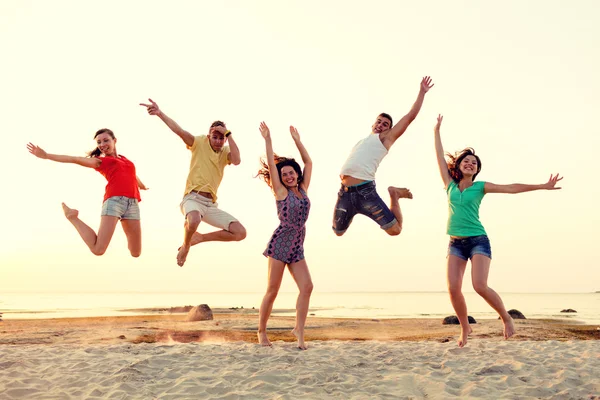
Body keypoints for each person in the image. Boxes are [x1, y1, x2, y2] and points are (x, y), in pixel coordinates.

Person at [434, 114, 563, 347]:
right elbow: (438, 158)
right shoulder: (449, 185)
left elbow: (511, 188)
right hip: (455, 243)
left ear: (476, 169)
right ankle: (465, 328)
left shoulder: (481, 187)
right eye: (466, 160)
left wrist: (542, 186)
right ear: (459, 165)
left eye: (474, 162)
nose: (470, 163)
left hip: (478, 241)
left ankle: (506, 318)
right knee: (453, 289)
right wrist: (437, 131)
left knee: (479, 286)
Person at [140, 99, 246, 267]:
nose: (218, 141)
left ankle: (200, 238)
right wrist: (160, 114)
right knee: (194, 220)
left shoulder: (226, 152)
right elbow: (179, 131)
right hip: (192, 199)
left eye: (221, 138)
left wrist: (229, 134)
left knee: (240, 233)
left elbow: (238, 160)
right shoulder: (199, 143)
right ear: (209, 135)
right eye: (215, 137)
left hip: (210, 205)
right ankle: (186, 245)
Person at [333, 76, 434, 236]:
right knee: (338, 232)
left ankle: (394, 194)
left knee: (395, 230)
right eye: (378, 122)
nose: (380, 125)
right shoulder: (362, 141)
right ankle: (353, 210)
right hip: (345, 193)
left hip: (365, 192)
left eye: (385, 124)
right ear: (373, 124)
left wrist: (422, 92)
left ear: (389, 130)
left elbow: (409, 117)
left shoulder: (385, 139)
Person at [27, 128, 147, 257]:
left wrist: (142, 186)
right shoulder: (101, 161)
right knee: (98, 250)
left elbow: (132, 174)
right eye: (99, 142)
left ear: (115, 140)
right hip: (114, 202)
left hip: (133, 204)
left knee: (136, 252)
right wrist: (46, 156)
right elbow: (75, 159)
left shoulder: (125, 160)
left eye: (106, 140)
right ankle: (72, 216)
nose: (102, 145)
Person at [256, 122, 313, 350]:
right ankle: (261, 331)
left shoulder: (304, 189)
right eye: (284, 174)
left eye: (291, 173)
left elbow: (308, 162)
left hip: (297, 244)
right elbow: (271, 163)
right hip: (280, 243)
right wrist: (268, 139)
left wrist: (297, 141)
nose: (288, 176)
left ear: (296, 174)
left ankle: (299, 330)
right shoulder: (280, 192)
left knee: (307, 287)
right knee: (273, 290)